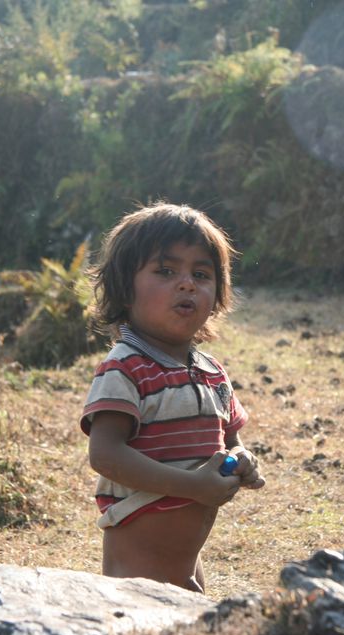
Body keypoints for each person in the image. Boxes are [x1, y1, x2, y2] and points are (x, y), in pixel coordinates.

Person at [80, 202, 265, 594]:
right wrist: (192, 485)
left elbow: (228, 438)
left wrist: (241, 459)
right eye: (166, 271)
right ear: (123, 288)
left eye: (201, 274)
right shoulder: (126, 368)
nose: (187, 284)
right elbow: (106, 455)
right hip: (138, 568)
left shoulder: (211, 370)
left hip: (188, 560)